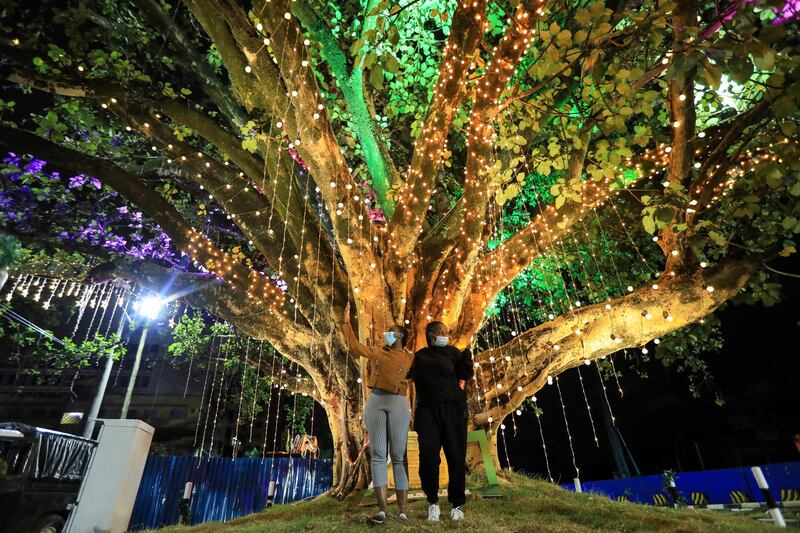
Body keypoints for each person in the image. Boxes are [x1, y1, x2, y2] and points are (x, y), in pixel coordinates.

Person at [343, 302, 414, 524]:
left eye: (392, 332)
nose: (387, 335)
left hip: (399, 403)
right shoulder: (378, 351)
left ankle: (403, 509)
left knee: (400, 456)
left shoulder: (411, 358)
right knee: (378, 453)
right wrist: (346, 323)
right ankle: (382, 509)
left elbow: (420, 380)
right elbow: (355, 348)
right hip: (376, 401)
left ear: (401, 336)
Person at [408, 321, 474, 522]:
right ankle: (433, 503)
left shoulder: (454, 353)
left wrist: (468, 354)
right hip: (427, 412)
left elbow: (466, 374)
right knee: (428, 456)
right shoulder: (419, 356)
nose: (445, 335)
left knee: (456, 456)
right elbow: (408, 378)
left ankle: (457, 505)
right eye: (441, 332)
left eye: (447, 332)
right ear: (431, 335)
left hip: (453, 410)